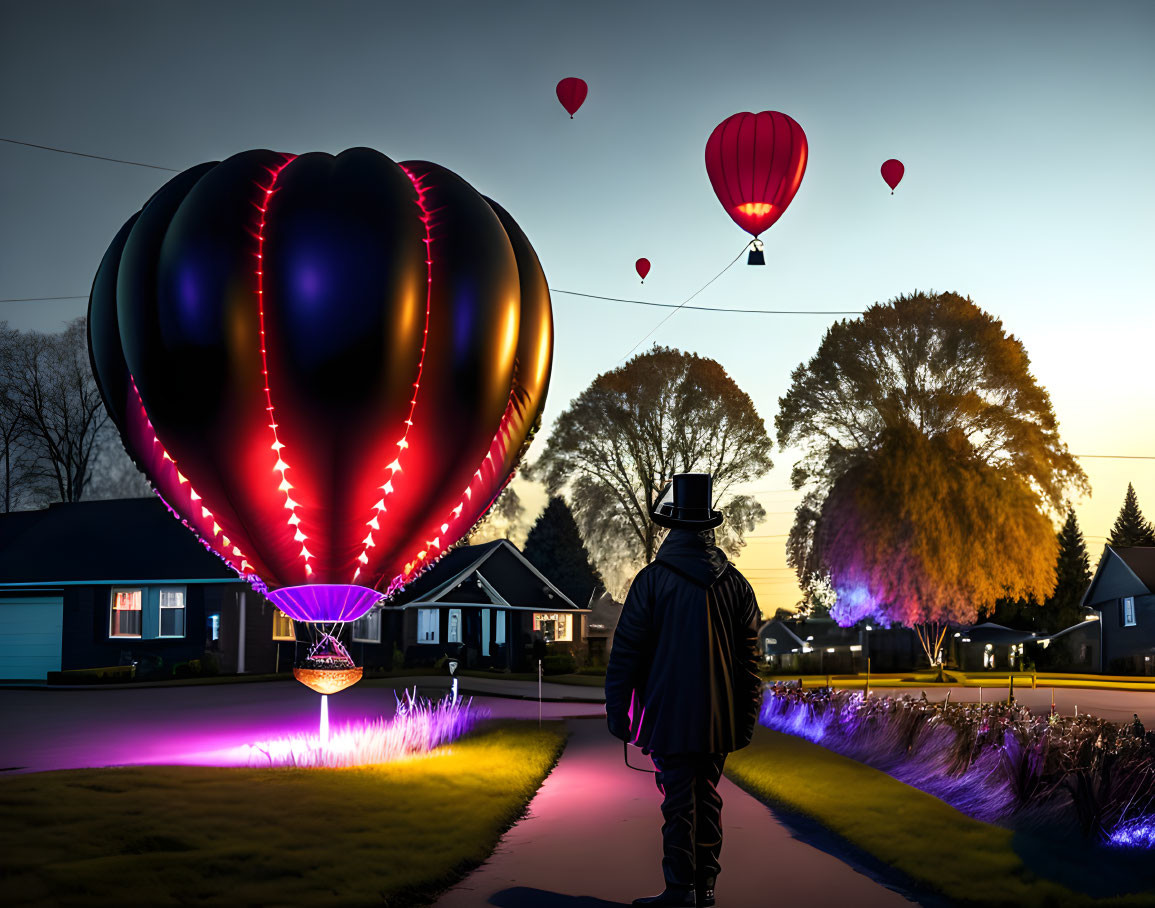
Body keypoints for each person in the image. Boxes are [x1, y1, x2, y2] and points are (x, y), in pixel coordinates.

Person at [606, 473, 762, 907]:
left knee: (678, 801)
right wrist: (746, 717)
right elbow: (750, 663)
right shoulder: (737, 585)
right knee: (707, 798)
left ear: (672, 526)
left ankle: (680, 890)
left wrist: (618, 711)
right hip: (718, 718)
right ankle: (705, 888)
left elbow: (627, 653)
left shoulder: (651, 581)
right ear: (708, 528)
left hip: (667, 713)